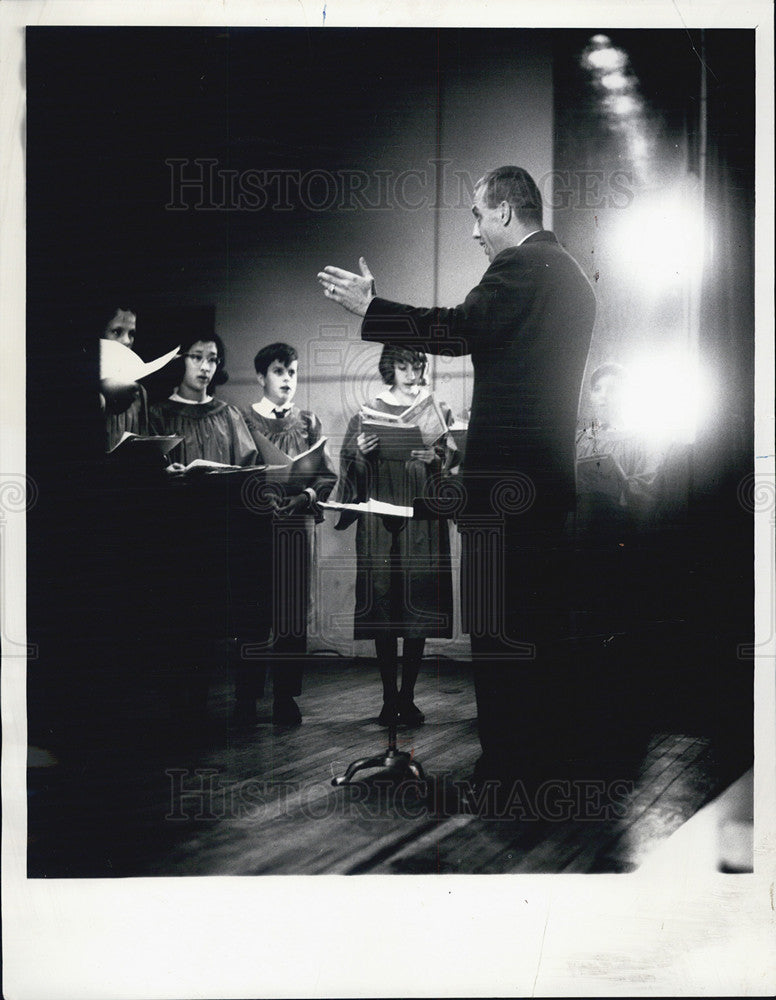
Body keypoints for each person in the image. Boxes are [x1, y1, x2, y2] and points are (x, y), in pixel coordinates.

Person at [318, 164, 597, 792]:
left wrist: (373, 308)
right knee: (538, 633)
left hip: (504, 491)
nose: (473, 230)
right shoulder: (572, 277)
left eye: (477, 214)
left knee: (499, 636)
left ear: (503, 212)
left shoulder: (520, 267)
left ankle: (505, 770)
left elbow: (459, 328)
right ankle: (541, 764)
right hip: (543, 485)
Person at [337, 344, 457, 726]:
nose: (410, 373)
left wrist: (435, 459)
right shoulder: (367, 413)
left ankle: (409, 696)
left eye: (417, 365)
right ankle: (389, 697)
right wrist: (361, 451)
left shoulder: (438, 412)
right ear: (389, 368)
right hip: (380, 515)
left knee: (418, 601)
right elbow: (350, 470)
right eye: (402, 366)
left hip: (421, 515)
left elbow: (453, 463)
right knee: (384, 601)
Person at [149, 334, 259, 733]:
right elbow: (141, 462)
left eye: (212, 358)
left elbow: (248, 466)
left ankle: (202, 707)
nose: (205, 366)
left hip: (219, 529)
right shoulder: (159, 413)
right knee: (178, 620)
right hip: (176, 532)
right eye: (196, 357)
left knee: (212, 621)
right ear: (180, 361)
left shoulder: (228, 414)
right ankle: (177, 706)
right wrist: (163, 474)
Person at [239, 342, 337, 725]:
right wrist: (260, 494)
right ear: (262, 376)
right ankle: (246, 696)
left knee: (291, 614)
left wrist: (308, 495)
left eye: (292, 372)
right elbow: (235, 467)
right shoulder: (243, 419)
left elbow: (327, 474)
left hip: (296, 524)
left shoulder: (308, 422)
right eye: (279, 372)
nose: (287, 380)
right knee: (253, 613)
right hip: (256, 525)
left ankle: (285, 697)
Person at [98, 305, 149, 451]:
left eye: (131, 333)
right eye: (117, 331)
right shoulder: (84, 384)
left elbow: (143, 445)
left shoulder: (138, 391)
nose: (126, 341)